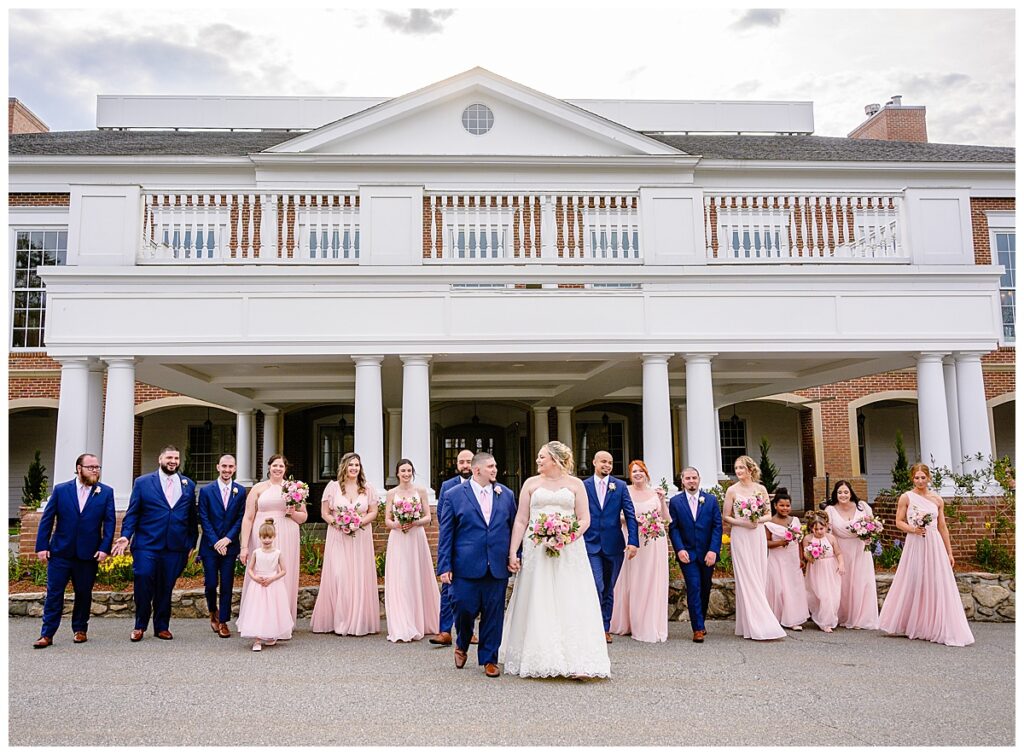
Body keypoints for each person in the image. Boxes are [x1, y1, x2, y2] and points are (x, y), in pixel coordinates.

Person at [500, 442, 610, 679]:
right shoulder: (530, 484)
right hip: (536, 548)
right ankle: (540, 655)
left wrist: (565, 536)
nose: (538, 461)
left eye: (542, 457)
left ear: (556, 460)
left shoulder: (575, 485)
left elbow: (584, 519)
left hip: (569, 549)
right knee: (539, 597)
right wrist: (513, 552)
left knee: (571, 596)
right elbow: (521, 520)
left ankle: (577, 659)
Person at [437, 452, 517, 678]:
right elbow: (446, 534)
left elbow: (513, 528)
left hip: (496, 566)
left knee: (493, 614)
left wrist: (514, 555)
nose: (495, 470)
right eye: (490, 466)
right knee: (463, 608)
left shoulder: (506, 494)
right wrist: (444, 566)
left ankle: (489, 659)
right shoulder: (454, 495)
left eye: (495, 466)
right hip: (465, 566)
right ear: (476, 470)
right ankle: (462, 642)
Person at [878, 463, 974, 647]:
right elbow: (898, 522)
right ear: (912, 478)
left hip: (934, 543)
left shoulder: (937, 500)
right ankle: (909, 622)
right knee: (914, 580)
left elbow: (942, 526)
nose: (920, 481)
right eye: (917, 478)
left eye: (923, 477)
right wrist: (913, 529)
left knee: (936, 581)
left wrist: (949, 552)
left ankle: (934, 625)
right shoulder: (906, 497)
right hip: (915, 542)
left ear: (928, 478)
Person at [112, 446, 197, 642]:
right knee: (143, 578)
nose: (173, 461)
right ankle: (140, 625)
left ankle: (161, 627)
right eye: (169, 457)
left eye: (176, 458)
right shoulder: (142, 483)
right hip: (147, 543)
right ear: (160, 459)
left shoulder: (188, 484)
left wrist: (191, 542)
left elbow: (192, 516)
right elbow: (133, 513)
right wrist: (126, 535)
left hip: (175, 546)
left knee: (165, 587)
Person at [33, 453, 116, 648]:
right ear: (79, 469)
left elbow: (110, 523)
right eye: (91, 467)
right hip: (60, 552)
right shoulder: (61, 490)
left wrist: (104, 548)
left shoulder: (105, 492)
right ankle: (47, 634)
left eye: (97, 467)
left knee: (84, 593)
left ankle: (80, 629)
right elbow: (48, 519)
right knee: (54, 593)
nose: (95, 470)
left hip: (88, 554)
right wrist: (42, 546)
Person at [238, 454, 307, 639]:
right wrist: (244, 546)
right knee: (261, 573)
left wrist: (293, 512)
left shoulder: (293, 488)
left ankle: (282, 623)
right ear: (269, 467)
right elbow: (248, 517)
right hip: (262, 533)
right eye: (275, 465)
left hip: (287, 532)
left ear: (286, 469)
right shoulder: (258, 489)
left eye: (281, 466)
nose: (278, 469)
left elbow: (303, 517)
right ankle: (258, 622)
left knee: (284, 574)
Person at [311, 452, 380, 636]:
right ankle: (340, 620)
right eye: (351, 465)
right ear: (344, 467)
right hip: (338, 536)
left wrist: (358, 523)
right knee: (339, 575)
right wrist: (338, 524)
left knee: (358, 576)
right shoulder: (332, 487)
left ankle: (358, 621)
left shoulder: (368, 488)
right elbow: (325, 512)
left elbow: (373, 512)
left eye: (357, 465)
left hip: (361, 537)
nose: (354, 468)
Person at [722, 455, 786, 641]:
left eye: (742, 468)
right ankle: (756, 624)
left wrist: (756, 521)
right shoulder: (732, 490)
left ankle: (755, 622)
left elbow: (768, 514)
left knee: (758, 576)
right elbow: (726, 516)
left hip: (757, 534)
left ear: (750, 469)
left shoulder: (761, 489)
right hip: (741, 536)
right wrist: (743, 523)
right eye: (736, 468)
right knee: (746, 577)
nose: (738, 471)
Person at [610, 459, 670, 643]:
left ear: (646, 473)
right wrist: (634, 520)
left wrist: (662, 501)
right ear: (630, 475)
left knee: (651, 580)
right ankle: (627, 622)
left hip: (653, 542)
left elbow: (666, 520)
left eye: (640, 471)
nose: (637, 474)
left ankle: (648, 623)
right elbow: (618, 516)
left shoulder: (655, 493)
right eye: (634, 471)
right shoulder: (624, 491)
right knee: (631, 579)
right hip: (632, 539)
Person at [582, 449, 639, 643]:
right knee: (596, 585)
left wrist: (633, 541)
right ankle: (594, 625)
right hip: (590, 544)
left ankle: (605, 627)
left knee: (609, 588)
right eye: (603, 462)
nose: (607, 465)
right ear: (594, 463)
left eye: (610, 463)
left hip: (614, 545)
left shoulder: (620, 486)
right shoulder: (583, 486)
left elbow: (630, 515)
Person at [383, 459, 440, 642]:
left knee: (416, 575)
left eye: (409, 470)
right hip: (399, 538)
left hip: (416, 537)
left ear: (412, 472)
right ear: (397, 473)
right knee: (401, 578)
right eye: (403, 471)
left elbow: (428, 517)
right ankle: (402, 623)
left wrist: (413, 522)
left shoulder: (420, 491)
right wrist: (398, 525)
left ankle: (420, 619)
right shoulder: (391, 493)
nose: (406, 474)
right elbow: (387, 521)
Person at [668, 466, 723, 642]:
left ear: (699, 479)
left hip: (707, 553)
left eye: (694, 478)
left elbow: (717, 526)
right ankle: (697, 628)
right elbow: (673, 528)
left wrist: (713, 550)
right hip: (688, 554)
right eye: (688, 478)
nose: (691, 481)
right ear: (682, 481)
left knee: (705, 587)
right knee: (694, 586)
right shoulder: (676, 502)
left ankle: (701, 621)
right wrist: (679, 549)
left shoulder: (711, 500)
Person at [197, 454, 247, 638]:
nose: (227, 470)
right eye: (224, 466)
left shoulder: (240, 491)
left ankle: (224, 621)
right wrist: (216, 541)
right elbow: (203, 517)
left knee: (227, 584)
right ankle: (212, 611)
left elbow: (241, 517)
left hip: (230, 545)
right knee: (211, 584)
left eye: (231, 467)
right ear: (218, 467)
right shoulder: (206, 491)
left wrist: (228, 539)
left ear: (235, 468)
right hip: (210, 546)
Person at [430, 448, 474, 646]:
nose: (465, 465)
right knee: (447, 588)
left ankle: (468, 631)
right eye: (461, 461)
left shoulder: (484, 485)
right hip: (453, 544)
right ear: (456, 464)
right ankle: (444, 631)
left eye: (469, 461)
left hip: (474, 548)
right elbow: (442, 515)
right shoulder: (447, 486)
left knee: (470, 592)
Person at [825, 480, 880, 630]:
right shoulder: (830, 510)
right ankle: (843, 615)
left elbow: (874, 525)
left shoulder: (862, 507)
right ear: (835, 494)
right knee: (843, 583)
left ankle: (861, 617)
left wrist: (870, 536)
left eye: (846, 492)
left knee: (862, 581)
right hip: (841, 550)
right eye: (840, 492)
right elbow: (827, 532)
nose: (843, 495)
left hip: (860, 549)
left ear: (851, 493)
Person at [236, 518, 293, 651]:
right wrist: (255, 578)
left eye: (269, 537)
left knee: (271, 610)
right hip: (258, 585)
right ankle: (257, 639)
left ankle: (270, 634)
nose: (267, 540)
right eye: (264, 537)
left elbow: (284, 571)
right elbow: (250, 568)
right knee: (258, 610)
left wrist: (272, 578)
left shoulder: (278, 553)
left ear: (274, 537)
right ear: (259, 537)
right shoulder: (256, 552)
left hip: (273, 585)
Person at [764, 488, 809, 631]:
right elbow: (766, 543)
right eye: (781, 505)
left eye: (787, 505)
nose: (785, 508)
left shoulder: (795, 520)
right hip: (777, 559)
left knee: (793, 588)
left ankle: (793, 619)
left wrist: (802, 558)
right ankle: (776, 618)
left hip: (792, 558)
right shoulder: (769, 522)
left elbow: (800, 541)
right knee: (778, 589)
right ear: (775, 505)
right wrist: (780, 542)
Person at [803, 511, 844, 632]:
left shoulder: (831, 538)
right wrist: (811, 555)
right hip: (816, 569)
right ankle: (820, 617)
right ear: (811, 528)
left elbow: (838, 553)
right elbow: (806, 555)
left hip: (831, 569)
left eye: (821, 528)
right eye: (816, 529)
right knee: (819, 595)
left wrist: (841, 564)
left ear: (826, 526)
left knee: (831, 595)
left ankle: (827, 622)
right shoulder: (808, 539)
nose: (819, 531)